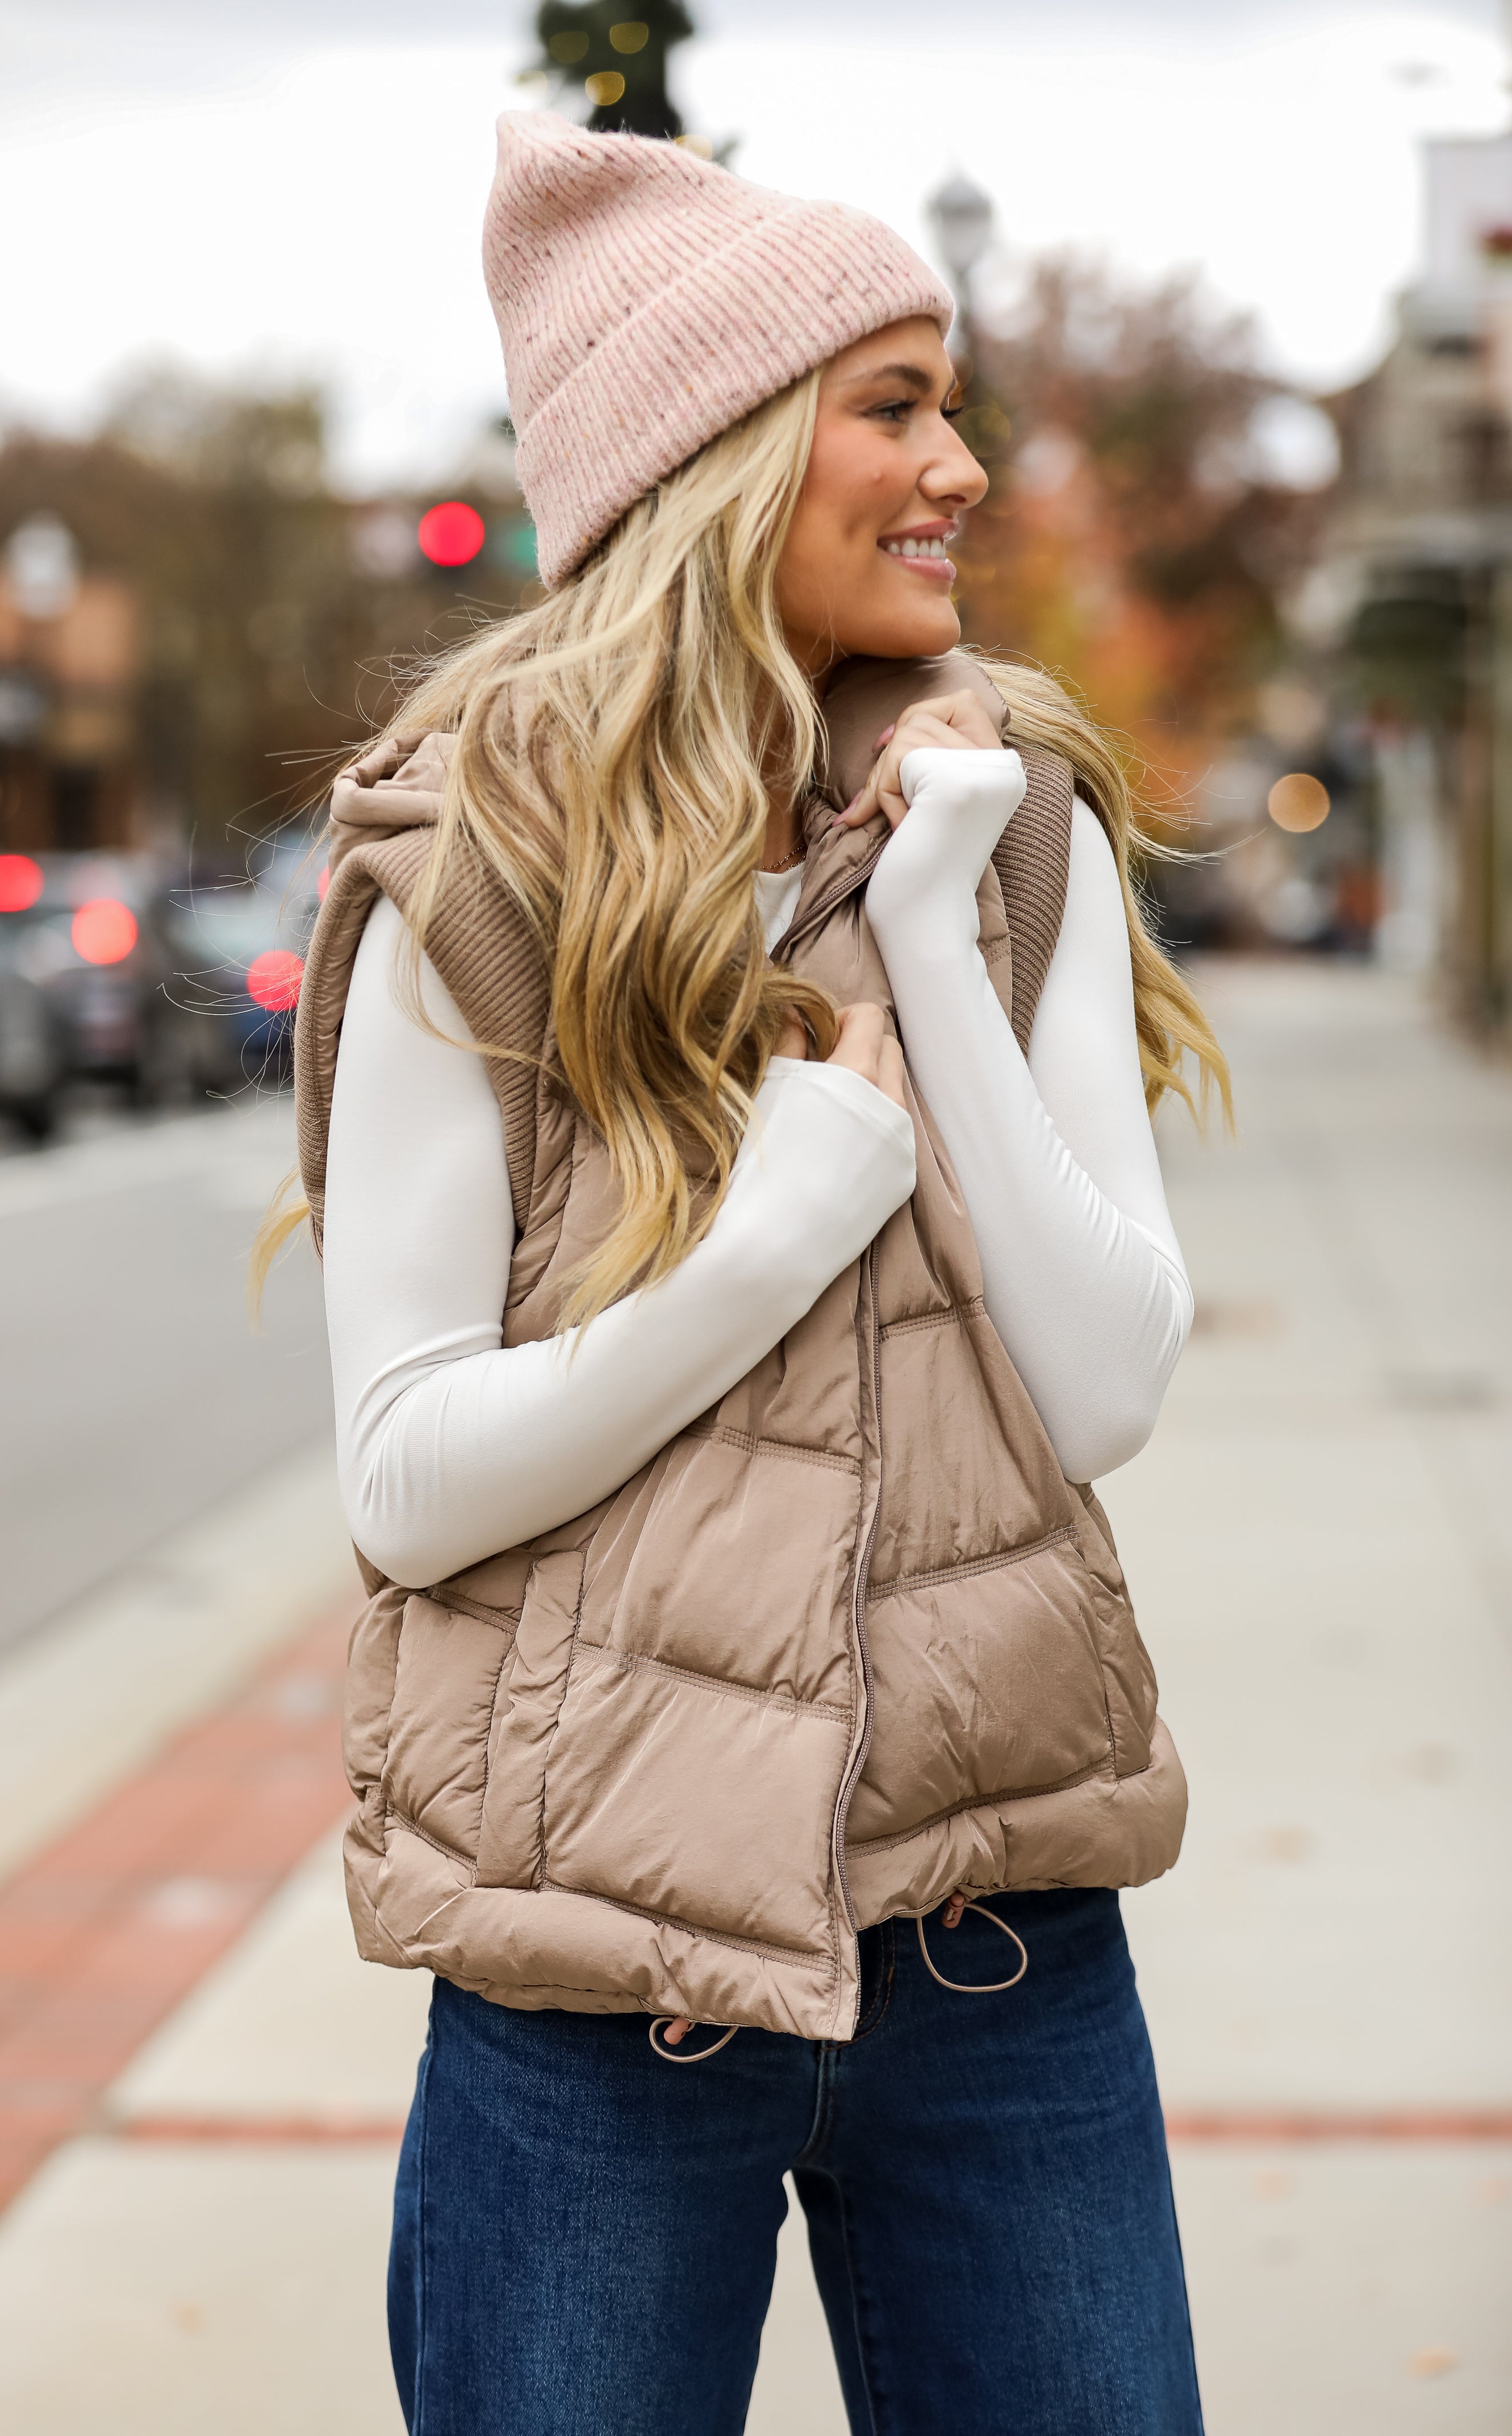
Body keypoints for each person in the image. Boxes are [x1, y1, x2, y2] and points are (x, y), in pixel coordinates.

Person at [273, 110, 1229, 2436]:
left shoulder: (1012, 837)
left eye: (952, 401)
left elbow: (1106, 1385)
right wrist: (768, 1240)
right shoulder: (466, 868)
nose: (963, 467)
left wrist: (925, 931)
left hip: (999, 1956)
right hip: (592, 1997)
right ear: (714, 453)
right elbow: (403, 1482)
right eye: (893, 404)